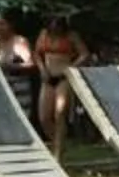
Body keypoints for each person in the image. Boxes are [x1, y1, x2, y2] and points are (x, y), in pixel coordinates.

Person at [32, 13, 87, 147]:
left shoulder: (71, 36)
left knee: (59, 113)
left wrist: (71, 68)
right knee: (44, 117)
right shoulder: (43, 34)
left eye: (58, 27)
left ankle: (58, 151)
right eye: (53, 26)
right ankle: (59, 142)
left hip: (63, 77)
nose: (55, 29)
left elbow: (84, 54)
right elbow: (37, 53)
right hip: (48, 76)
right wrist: (42, 69)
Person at [0, 9, 38, 126]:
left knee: (19, 122)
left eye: (2, 24)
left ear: (10, 25)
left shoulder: (20, 41)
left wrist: (8, 66)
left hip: (18, 86)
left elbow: (31, 63)